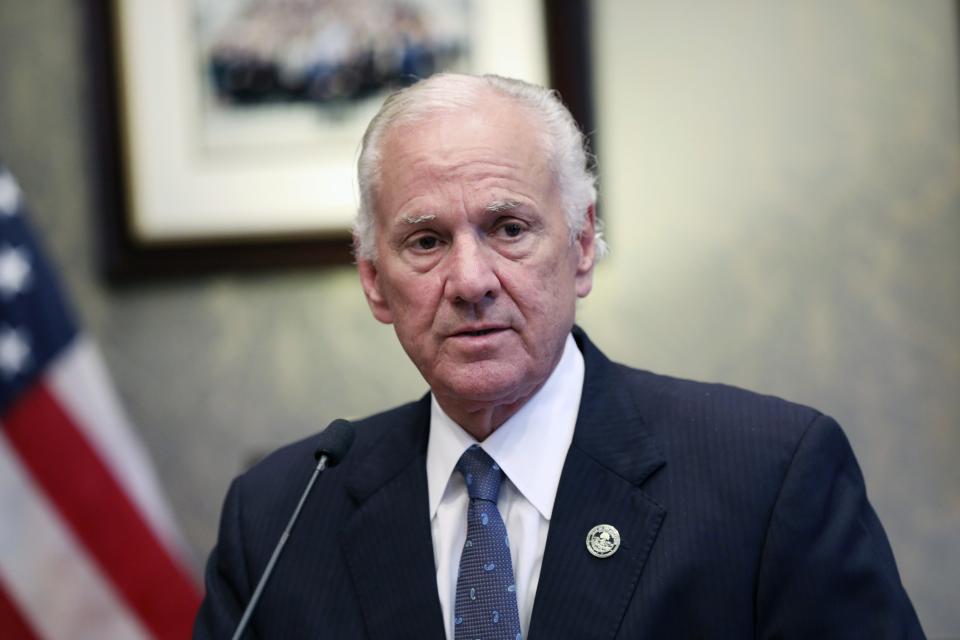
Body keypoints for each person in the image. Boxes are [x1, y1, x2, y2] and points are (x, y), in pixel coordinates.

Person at [194, 73, 924, 639]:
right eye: (425, 241)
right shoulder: (280, 516)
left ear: (581, 247)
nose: (472, 281)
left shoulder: (769, 478)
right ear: (373, 279)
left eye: (508, 228)